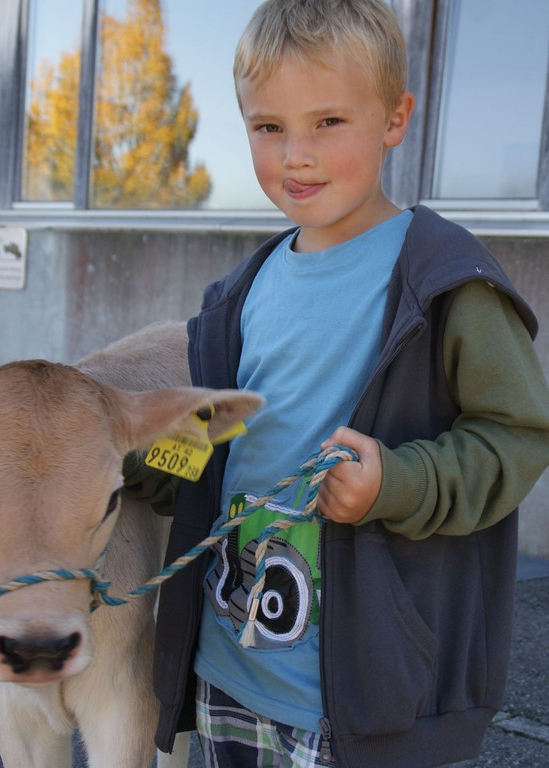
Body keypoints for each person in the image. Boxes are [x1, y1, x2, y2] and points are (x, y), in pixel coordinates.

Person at [139, 1, 549, 766]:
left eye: (327, 121)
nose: (295, 155)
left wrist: (397, 482)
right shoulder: (235, 297)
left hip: (365, 701)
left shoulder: (445, 283)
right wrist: (123, 459)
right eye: (268, 127)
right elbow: (207, 458)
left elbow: (517, 437)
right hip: (226, 674)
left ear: (394, 119)